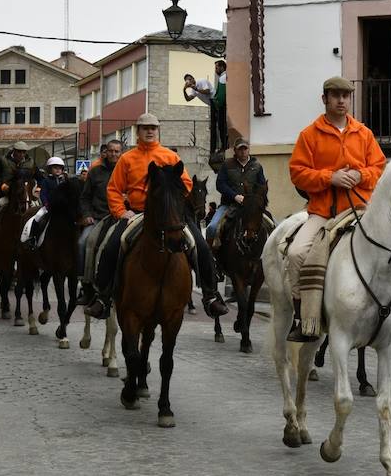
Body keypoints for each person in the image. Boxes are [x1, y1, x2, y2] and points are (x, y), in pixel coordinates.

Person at [85, 113, 228, 320]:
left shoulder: (170, 156)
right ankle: (102, 297)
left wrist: (173, 200)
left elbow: (187, 184)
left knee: (201, 247)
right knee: (112, 245)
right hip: (137, 214)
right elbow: (114, 189)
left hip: (170, 216)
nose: (150, 131)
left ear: (157, 130)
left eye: (153, 128)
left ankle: (210, 296)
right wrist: (121, 212)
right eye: (145, 128)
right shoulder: (127, 159)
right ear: (138, 131)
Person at [286, 76, 387, 342]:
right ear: (325, 99)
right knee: (296, 253)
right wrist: (329, 177)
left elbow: (378, 167)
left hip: (362, 210)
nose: (342, 100)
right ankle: (303, 317)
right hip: (323, 214)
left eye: (346, 95)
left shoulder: (363, 133)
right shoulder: (309, 135)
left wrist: (360, 175)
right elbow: (297, 173)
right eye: (336, 95)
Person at [77, 139, 123, 306]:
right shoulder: (95, 172)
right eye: (111, 150)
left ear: (121, 153)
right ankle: (86, 286)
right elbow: (85, 197)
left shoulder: (127, 169)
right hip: (98, 217)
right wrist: (87, 214)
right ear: (106, 152)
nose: (114, 154)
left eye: (117, 151)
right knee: (83, 242)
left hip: (122, 217)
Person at [206, 138, 267, 251]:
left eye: (245, 148)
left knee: (273, 225)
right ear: (235, 151)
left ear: (249, 150)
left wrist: (257, 202)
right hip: (229, 205)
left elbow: (262, 186)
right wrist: (234, 196)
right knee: (212, 227)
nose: (243, 151)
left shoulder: (257, 166)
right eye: (240, 149)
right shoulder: (227, 165)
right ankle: (210, 257)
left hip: (252, 208)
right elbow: (220, 184)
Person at [0, 141, 36, 252]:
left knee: (38, 213)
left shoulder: (31, 162)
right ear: (14, 151)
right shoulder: (3, 161)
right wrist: (2, 184)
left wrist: (38, 187)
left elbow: (40, 177)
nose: (21, 154)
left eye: (23, 152)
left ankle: (34, 240)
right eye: (19, 152)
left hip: (26, 195)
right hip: (7, 195)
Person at [24, 157, 66, 250]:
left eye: (60, 168)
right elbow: (43, 194)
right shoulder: (46, 181)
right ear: (50, 169)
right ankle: (33, 237)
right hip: (49, 207)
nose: (58, 169)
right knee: (38, 216)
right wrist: (46, 204)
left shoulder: (65, 181)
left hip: (63, 208)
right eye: (55, 167)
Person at [210, 60, 228, 153]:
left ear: (222, 67)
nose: (215, 70)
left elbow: (220, 96)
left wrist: (216, 104)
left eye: (216, 67)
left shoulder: (222, 78)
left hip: (222, 108)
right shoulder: (226, 76)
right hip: (227, 107)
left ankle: (224, 147)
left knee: (222, 127)